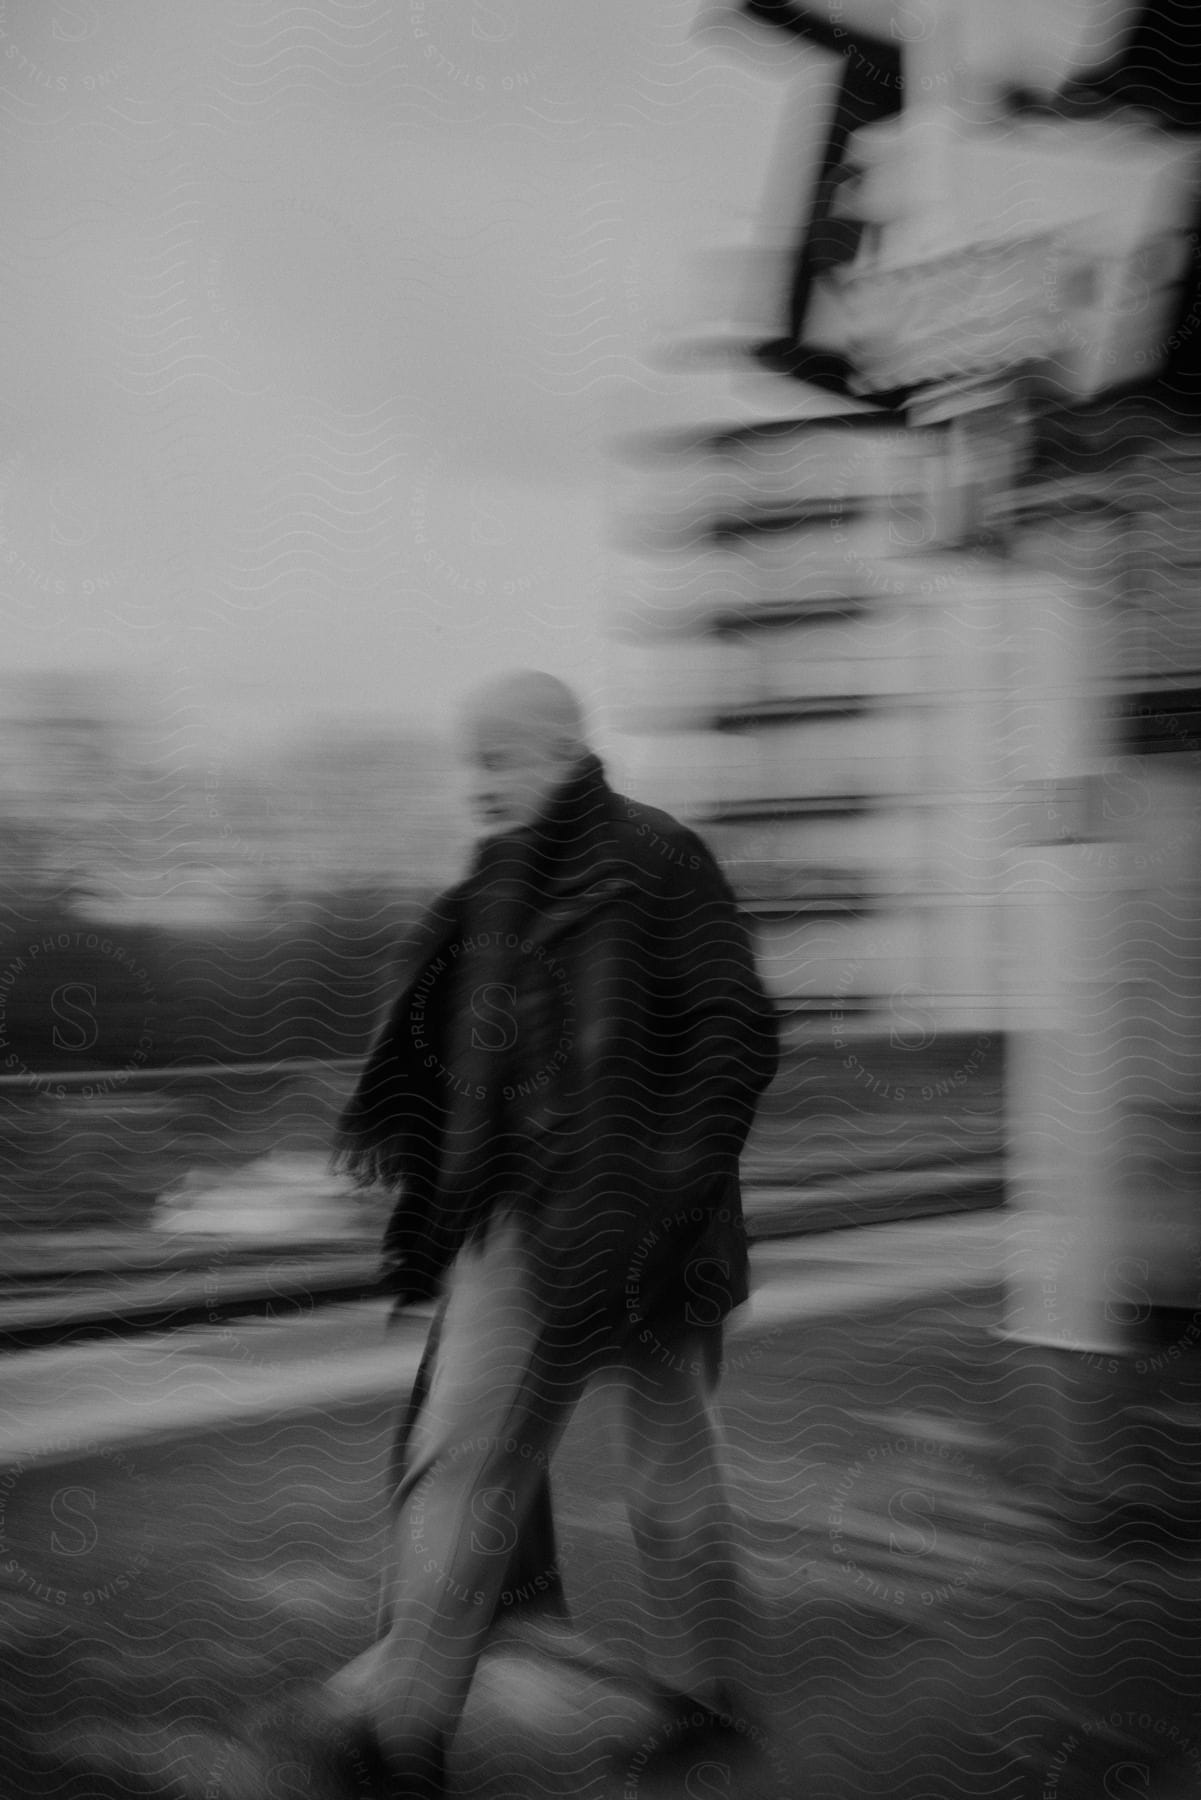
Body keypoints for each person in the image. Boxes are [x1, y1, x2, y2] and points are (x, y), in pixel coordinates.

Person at [328, 670, 780, 1795]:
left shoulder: (659, 859)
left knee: (666, 1481)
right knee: (462, 1470)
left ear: (563, 751)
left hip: (651, 1239)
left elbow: (735, 1038)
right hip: (515, 1228)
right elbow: (453, 1053)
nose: (476, 783)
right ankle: (405, 1726)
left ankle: (704, 1692)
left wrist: (653, 1202)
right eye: (466, 761)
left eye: (497, 758)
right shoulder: (488, 888)